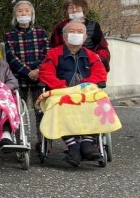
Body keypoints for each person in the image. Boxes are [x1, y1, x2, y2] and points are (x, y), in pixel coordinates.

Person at [39, 20, 108, 166]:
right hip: (61, 92)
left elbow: (100, 73)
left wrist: (85, 85)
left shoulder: (91, 55)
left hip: (85, 92)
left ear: (85, 37)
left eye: (80, 32)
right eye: (72, 31)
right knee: (60, 104)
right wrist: (62, 87)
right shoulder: (53, 54)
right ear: (64, 36)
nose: (76, 34)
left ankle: (87, 143)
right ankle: (73, 145)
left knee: (98, 102)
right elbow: (46, 73)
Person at [4, 0, 50, 147]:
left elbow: (47, 54)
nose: (23, 13)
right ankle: (19, 140)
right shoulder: (9, 35)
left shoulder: (41, 33)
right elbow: (11, 57)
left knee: (41, 110)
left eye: (27, 11)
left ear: (32, 14)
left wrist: (38, 70)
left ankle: (43, 141)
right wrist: (27, 71)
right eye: (20, 11)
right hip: (19, 77)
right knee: (18, 110)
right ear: (15, 15)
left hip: (39, 77)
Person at [50, 0, 110, 71]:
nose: (74, 10)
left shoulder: (94, 26)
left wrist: (96, 60)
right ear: (66, 11)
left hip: (89, 67)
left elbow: (102, 49)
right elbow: (54, 49)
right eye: (71, 7)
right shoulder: (60, 28)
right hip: (65, 68)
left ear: (83, 8)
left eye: (77, 6)